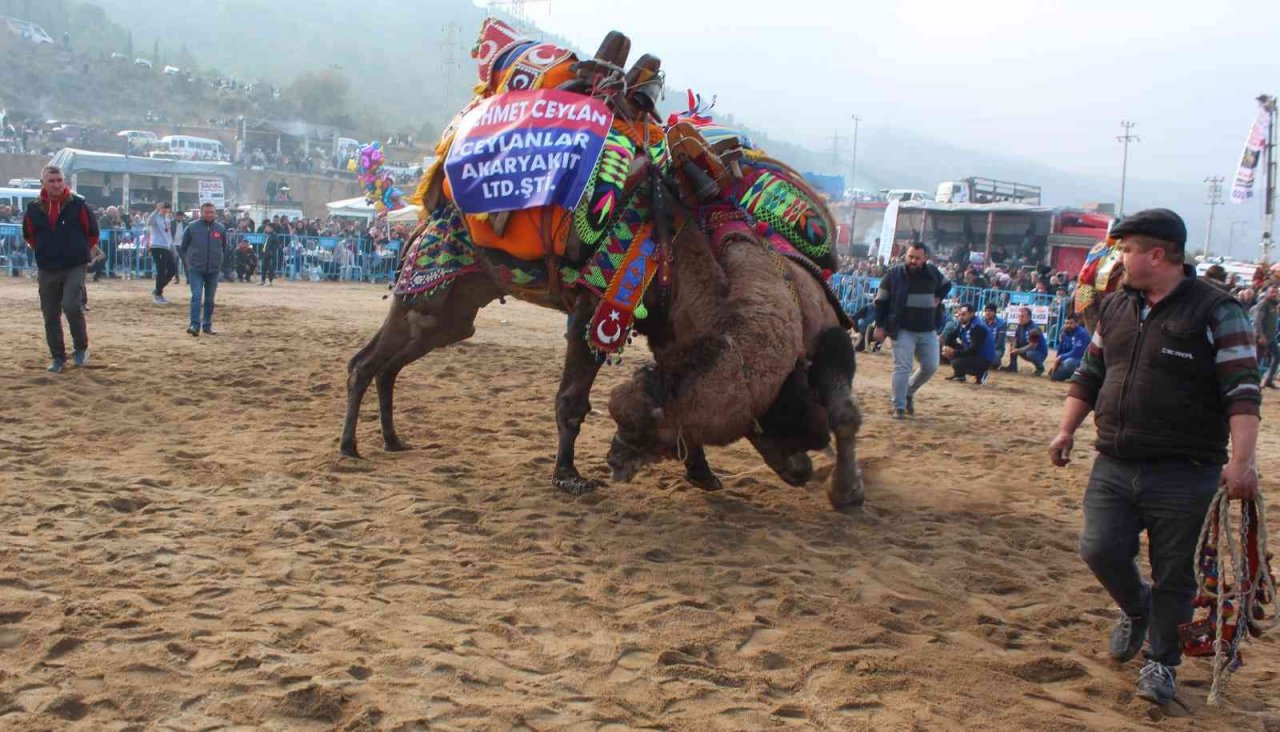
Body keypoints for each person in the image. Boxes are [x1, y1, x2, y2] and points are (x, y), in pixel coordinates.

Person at [1048, 208, 1261, 705]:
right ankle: (1137, 607)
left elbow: (1242, 392)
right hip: (1115, 461)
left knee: (1175, 574)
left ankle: (1161, 663)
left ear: (1157, 255)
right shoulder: (1116, 307)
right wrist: (1066, 430)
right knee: (1099, 548)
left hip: (1186, 471)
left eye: (1126, 250)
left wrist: (1242, 462)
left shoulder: (1218, 311)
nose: (1118, 259)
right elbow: (1090, 373)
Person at [22, 165, 100, 372]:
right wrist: (45, 251)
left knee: (71, 305)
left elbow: (93, 233)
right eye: (51, 181)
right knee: (50, 313)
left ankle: (81, 348)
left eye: (59, 180)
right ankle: (58, 357)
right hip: (47, 267)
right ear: (43, 183)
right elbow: (29, 235)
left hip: (74, 265)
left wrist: (78, 251)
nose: (56, 185)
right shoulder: (33, 208)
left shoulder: (78, 204)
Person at [873, 242, 951, 419]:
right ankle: (899, 407)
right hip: (902, 329)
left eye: (917, 258)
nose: (913, 261)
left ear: (925, 259)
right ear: (905, 256)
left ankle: (908, 391)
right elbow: (880, 301)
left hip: (928, 328)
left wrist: (939, 297)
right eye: (910, 257)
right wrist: (879, 326)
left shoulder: (933, 272)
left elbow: (947, 285)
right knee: (903, 367)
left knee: (931, 366)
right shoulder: (893, 274)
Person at [180, 203, 228, 336]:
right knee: (196, 296)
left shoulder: (220, 229)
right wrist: (188, 263)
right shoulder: (191, 227)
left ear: (215, 213)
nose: (209, 214)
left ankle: (207, 325)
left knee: (209, 300)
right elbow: (183, 248)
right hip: (195, 269)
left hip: (213, 270)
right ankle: (194, 325)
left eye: (211, 212)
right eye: (206, 212)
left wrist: (219, 262)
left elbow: (224, 248)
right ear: (201, 213)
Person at [942, 304, 994, 384]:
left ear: (972, 314)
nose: (960, 317)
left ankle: (981, 373)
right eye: (959, 315)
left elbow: (974, 350)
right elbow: (951, 336)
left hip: (984, 357)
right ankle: (959, 375)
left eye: (963, 314)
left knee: (957, 362)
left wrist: (954, 353)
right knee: (950, 347)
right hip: (972, 351)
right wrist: (946, 347)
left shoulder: (978, 327)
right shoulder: (962, 323)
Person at [147, 201, 177, 304]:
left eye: (167, 208)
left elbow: (168, 235)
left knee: (173, 269)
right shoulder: (156, 217)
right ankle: (158, 295)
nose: (165, 210)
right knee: (161, 270)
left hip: (166, 247)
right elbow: (149, 222)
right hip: (157, 246)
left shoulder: (167, 219)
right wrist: (156, 210)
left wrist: (172, 248)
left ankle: (158, 289)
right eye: (163, 208)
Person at [1002, 307, 1048, 375]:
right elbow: (1016, 339)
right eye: (1019, 316)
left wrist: (1019, 350)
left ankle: (1040, 368)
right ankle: (1013, 366)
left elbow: (1033, 346)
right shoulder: (1019, 326)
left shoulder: (1034, 329)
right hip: (1027, 349)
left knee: (1029, 354)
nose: (1020, 318)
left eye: (1022, 317)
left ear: (1029, 317)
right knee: (1013, 347)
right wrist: (1013, 347)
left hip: (1039, 352)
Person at [1048, 315, 1090, 382]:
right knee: (1053, 376)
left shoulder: (1081, 333)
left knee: (1068, 363)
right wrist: (1057, 363)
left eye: (1071, 323)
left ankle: (1080, 377)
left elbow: (1077, 353)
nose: (1068, 325)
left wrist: (1060, 358)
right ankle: (1071, 375)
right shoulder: (1064, 332)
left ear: (1077, 323)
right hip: (1068, 360)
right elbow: (1061, 349)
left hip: (1082, 361)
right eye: (1066, 323)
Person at [1253, 284, 1279, 388]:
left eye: (1276, 292)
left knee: (1277, 357)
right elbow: (1257, 321)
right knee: (1257, 361)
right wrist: (1261, 336)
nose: (1274, 294)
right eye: (1272, 292)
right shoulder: (1263, 304)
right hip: (1262, 337)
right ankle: (1253, 382)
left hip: (1271, 337)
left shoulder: (1273, 304)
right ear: (1267, 293)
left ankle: (1268, 380)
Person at [981, 302, 1007, 370]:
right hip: (983, 347)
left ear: (995, 312)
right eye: (986, 311)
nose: (987, 313)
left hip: (997, 349)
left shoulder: (1002, 323)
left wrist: (988, 350)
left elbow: (999, 343)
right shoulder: (981, 322)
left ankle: (995, 364)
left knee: (995, 357)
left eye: (990, 311)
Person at [259, 221, 282, 286]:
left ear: (271, 228)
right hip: (265, 253)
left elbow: (277, 244)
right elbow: (265, 245)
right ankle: (263, 280)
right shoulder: (268, 235)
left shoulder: (274, 235)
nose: (266, 228)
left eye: (267, 227)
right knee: (263, 267)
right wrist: (262, 252)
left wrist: (271, 251)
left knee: (270, 268)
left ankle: (270, 281)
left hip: (271, 254)